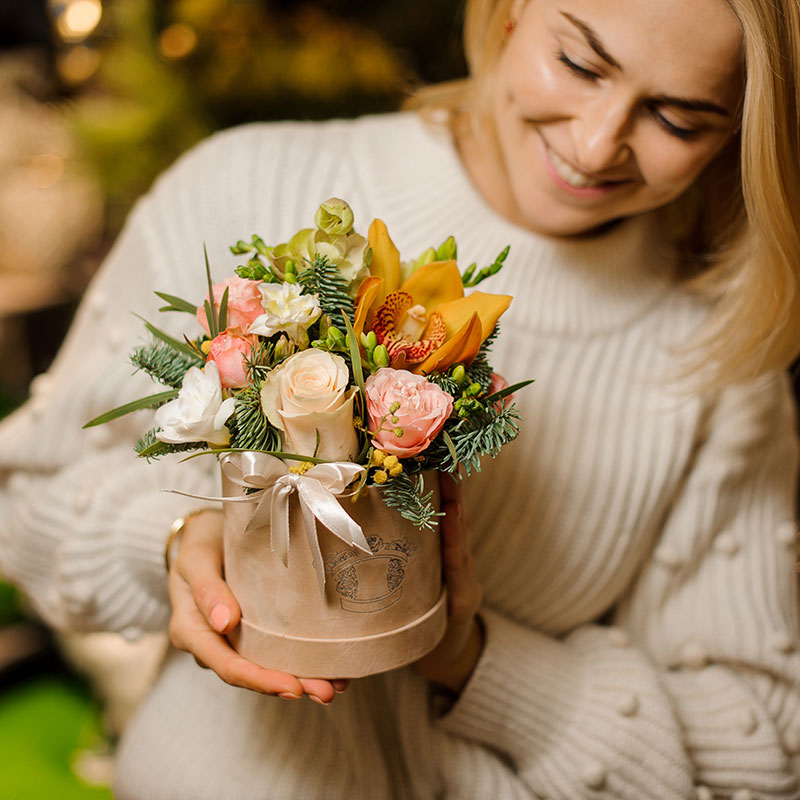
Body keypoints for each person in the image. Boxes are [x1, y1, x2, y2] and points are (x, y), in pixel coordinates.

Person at [1, 0, 799, 796]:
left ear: (740, 129)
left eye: (679, 120)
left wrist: (476, 659)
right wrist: (177, 543)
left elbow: (760, 754)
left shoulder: (724, 348)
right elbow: (25, 497)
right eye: (581, 64)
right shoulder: (247, 179)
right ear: (512, 12)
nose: (595, 145)